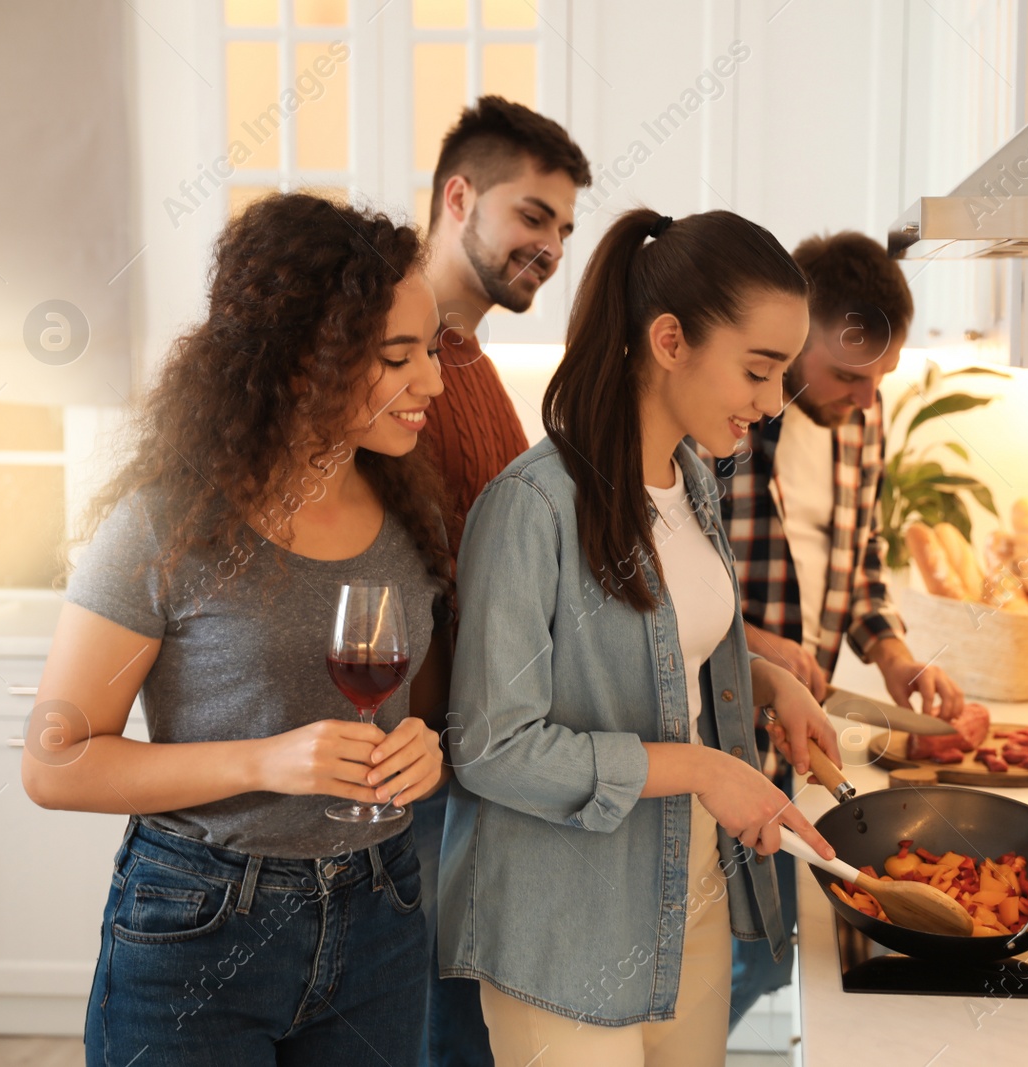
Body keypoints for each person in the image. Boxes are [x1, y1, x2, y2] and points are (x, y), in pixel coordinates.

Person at [24, 193, 451, 1067]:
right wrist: (265, 762)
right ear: (304, 363)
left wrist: (424, 748)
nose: (433, 382)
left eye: (432, 349)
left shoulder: (411, 515)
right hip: (199, 924)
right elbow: (54, 761)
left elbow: (428, 713)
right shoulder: (165, 525)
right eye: (397, 356)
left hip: (383, 911)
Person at [439, 208, 841, 1067]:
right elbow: (491, 747)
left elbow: (672, 656)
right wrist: (702, 767)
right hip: (568, 920)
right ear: (669, 340)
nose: (774, 403)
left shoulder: (692, 481)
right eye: (759, 371)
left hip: (686, 883)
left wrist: (771, 686)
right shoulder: (532, 507)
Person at [715, 230, 965, 1029]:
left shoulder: (863, 416)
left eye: (879, 379)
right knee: (725, 955)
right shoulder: (724, 416)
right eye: (851, 375)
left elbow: (858, 567)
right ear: (796, 333)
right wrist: (756, 644)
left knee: (769, 946)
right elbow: (651, 584)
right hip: (714, 739)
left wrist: (892, 655)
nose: (866, 398)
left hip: (795, 737)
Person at [414, 95, 591, 1067]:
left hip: (470, 761)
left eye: (564, 228)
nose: (551, 245)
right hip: (415, 776)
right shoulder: (389, 362)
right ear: (458, 196)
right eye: (533, 215)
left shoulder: (474, 362)